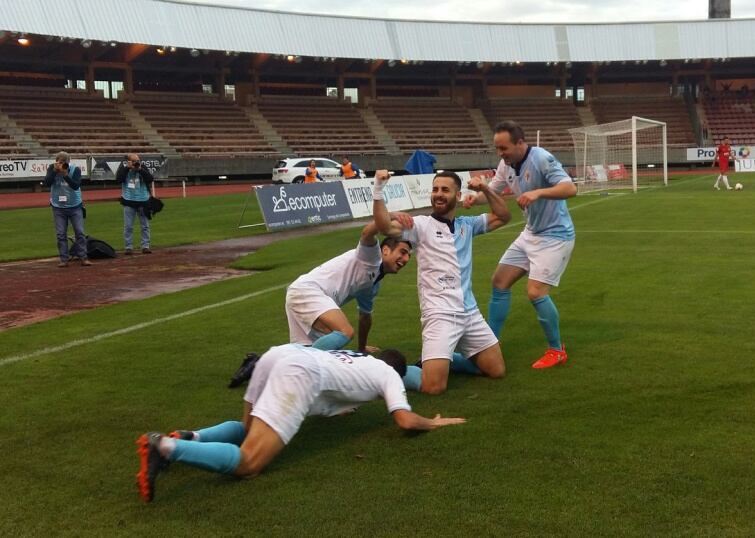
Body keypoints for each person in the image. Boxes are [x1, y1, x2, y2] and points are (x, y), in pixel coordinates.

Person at [135, 344, 465, 502]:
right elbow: (405, 420)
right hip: (301, 374)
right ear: (398, 371)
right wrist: (432, 423)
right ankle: (166, 446)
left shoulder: (358, 359)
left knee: (248, 430)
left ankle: (190, 436)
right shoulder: (388, 375)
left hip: (281, 354)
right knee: (250, 462)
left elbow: (341, 390)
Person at [372, 170, 511, 395]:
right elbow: (384, 227)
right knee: (434, 386)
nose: (438, 194)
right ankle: (381, 372)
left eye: (445, 190)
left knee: (496, 370)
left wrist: (485, 188)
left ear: (457, 196)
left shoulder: (468, 224)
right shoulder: (420, 225)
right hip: (440, 314)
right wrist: (378, 188)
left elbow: (503, 216)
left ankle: (447, 360)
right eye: (435, 189)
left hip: (469, 312)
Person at [463, 120, 577, 369]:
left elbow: (570, 188)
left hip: (555, 236)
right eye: (497, 149)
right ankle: (489, 342)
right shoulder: (506, 164)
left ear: (520, 143)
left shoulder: (542, 158)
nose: (500, 154)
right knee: (499, 282)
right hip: (531, 234)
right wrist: (475, 198)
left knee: (535, 292)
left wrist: (538, 192)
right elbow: (493, 192)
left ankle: (557, 350)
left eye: (503, 148)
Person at [285, 220, 411, 352]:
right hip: (308, 291)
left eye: (408, 255)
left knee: (311, 347)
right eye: (402, 252)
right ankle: (305, 365)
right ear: (385, 250)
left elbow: (365, 317)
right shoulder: (371, 256)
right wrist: (388, 218)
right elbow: (367, 232)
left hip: (301, 293)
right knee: (344, 332)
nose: (406, 259)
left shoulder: (372, 285)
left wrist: (362, 348)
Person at [42, 151, 91, 267]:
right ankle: (64, 259)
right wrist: (54, 171)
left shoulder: (75, 169)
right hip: (58, 206)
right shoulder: (51, 168)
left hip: (75, 205)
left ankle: (83, 257)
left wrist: (65, 175)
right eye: (59, 162)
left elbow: (75, 185)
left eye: (64, 163)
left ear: (68, 163)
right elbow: (47, 183)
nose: (62, 165)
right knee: (60, 234)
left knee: (79, 232)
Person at [117, 153, 155, 254]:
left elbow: (150, 179)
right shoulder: (123, 168)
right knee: (128, 226)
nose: (136, 163)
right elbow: (119, 179)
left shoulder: (143, 168)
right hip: (129, 201)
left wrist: (140, 170)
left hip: (143, 200)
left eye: (137, 161)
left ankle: (145, 246)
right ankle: (128, 247)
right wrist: (127, 168)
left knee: (145, 225)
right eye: (133, 161)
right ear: (128, 162)